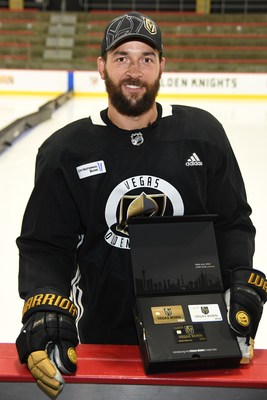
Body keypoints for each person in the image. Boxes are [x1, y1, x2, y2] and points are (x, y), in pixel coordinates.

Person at [16, 11, 266, 399]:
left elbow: (232, 222)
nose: (134, 70)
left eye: (146, 58)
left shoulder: (202, 135)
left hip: (200, 332)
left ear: (162, 66)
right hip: (102, 336)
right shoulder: (66, 151)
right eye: (122, 58)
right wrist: (44, 305)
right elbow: (47, 245)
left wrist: (239, 279)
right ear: (101, 67)